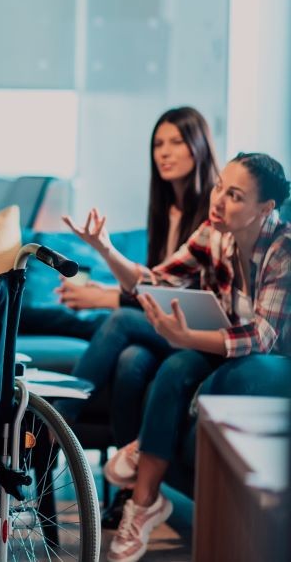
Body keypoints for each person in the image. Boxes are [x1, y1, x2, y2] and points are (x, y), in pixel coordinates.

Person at [73, 153, 290, 562]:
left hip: (275, 363)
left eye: (235, 195)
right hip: (224, 346)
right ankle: (143, 503)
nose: (220, 200)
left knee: (185, 357)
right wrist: (105, 249)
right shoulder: (217, 232)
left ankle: (131, 450)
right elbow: (156, 280)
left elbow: (263, 337)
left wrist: (189, 336)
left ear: (266, 209)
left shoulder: (284, 252)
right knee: (169, 360)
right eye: (220, 187)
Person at [55, 108, 219, 478]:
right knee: (130, 362)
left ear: (199, 148)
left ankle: (57, 427)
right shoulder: (165, 210)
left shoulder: (215, 210)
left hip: (195, 330)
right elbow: (157, 282)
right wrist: (109, 279)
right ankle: (130, 489)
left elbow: (184, 295)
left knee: (119, 321)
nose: (164, 152)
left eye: (176, 142)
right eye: (158, 144)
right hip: (164, 324)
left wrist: (111, 296)